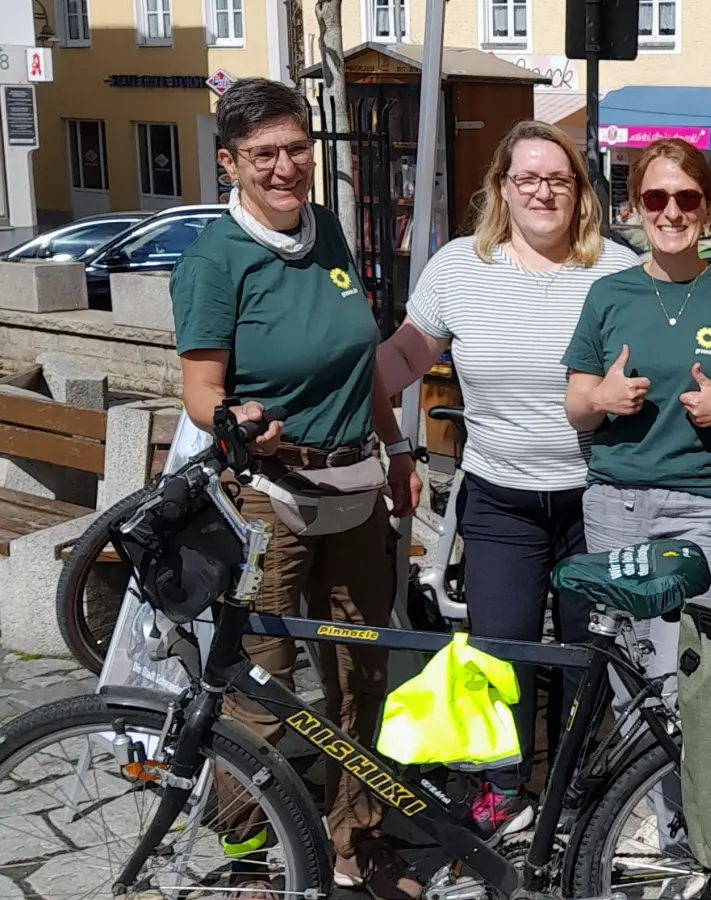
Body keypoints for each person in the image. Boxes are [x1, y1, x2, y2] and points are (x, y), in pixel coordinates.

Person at [169, 77, 422, 900]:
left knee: (361, 676)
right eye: (265, 154)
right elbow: (198, 389)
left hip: (353, 488)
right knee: (257, 688)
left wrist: (396, 449)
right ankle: (248, 853)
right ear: (230, 163)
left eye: (297, 149)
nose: (285, 168)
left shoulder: (330, 235)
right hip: (266, 498)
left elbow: (365, 361)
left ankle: (358, 838)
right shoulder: (215, 259)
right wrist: (235, 420)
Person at [374, 120, 639, 841]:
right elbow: (400, 357)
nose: (544, 192)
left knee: (588, 657)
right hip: (499, 499)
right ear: (502, 187)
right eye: (528, 178)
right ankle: (500, 792)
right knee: (500, 652)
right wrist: (340, 391)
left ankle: (578, 791)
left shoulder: (616, 270)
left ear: (579, 190)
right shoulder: (461, 267)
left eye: (559, 179)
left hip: (597, 499)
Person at [562, 136, 711, 704]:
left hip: (703, 505)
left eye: (686, 198)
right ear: (634, 207)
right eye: (655, 198)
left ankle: (687, 795)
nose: (672, 212)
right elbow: (575, 404)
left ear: (708, 207)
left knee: (689, 679)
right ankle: (645, 797)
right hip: (616, 503)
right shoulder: (609, 294)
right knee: (627, 680)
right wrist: (603, 398)